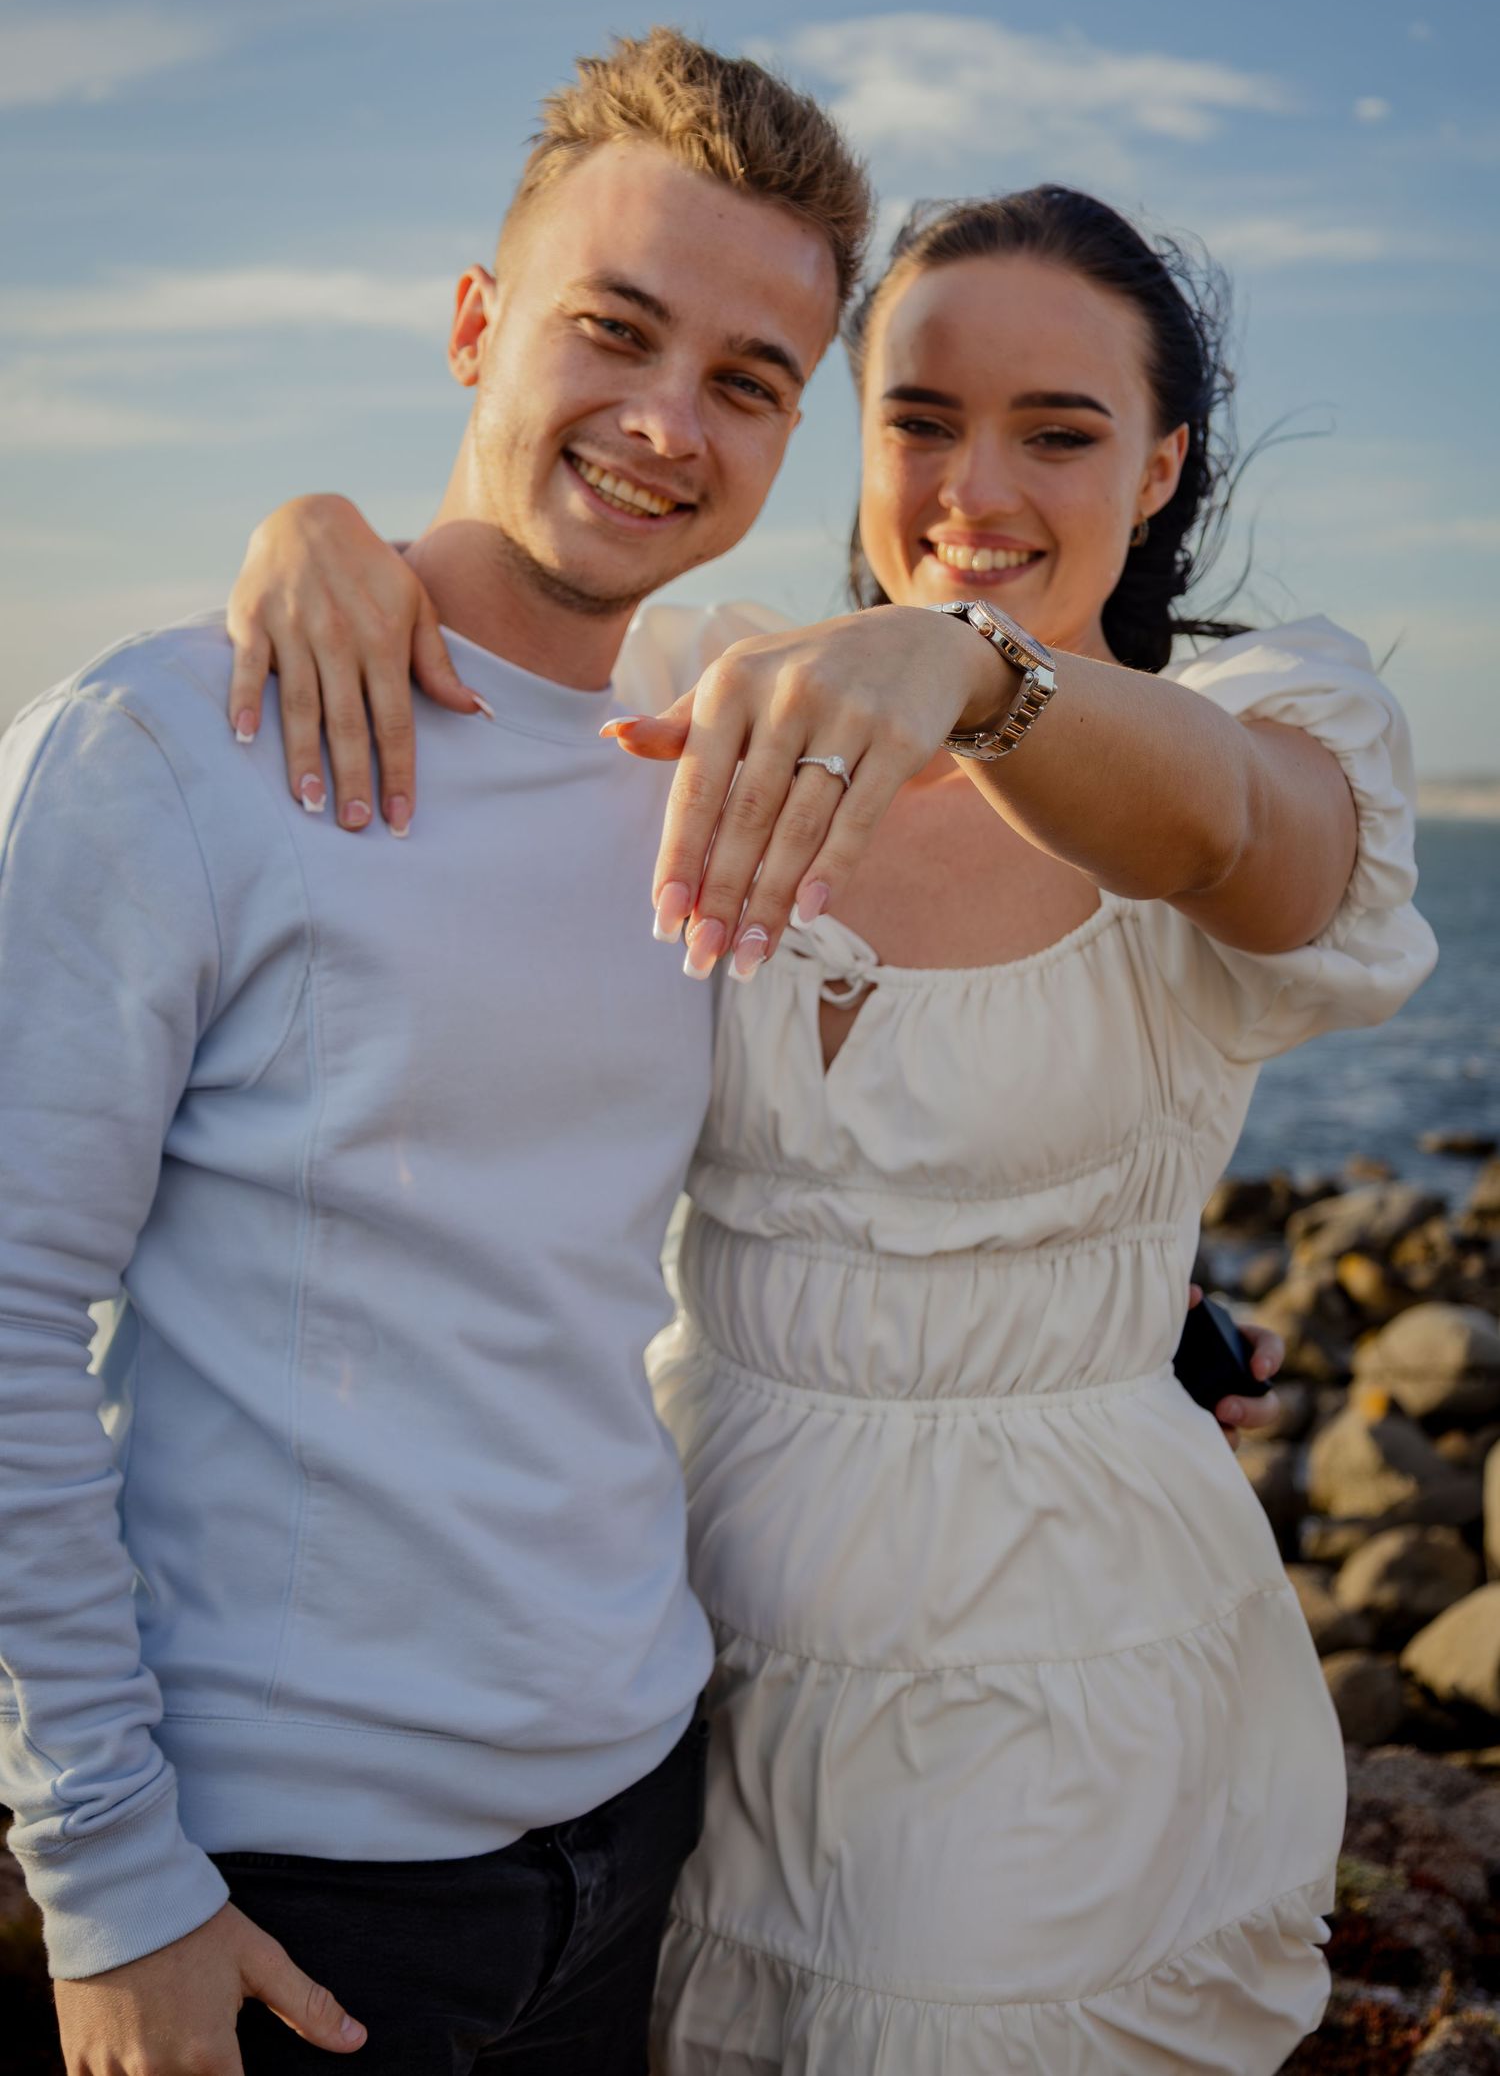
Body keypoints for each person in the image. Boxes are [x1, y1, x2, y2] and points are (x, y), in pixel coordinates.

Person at [222, 185, 1437, 2071]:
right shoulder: (698, 685)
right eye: (922, 418)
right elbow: (477, 610)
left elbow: (1235, 844)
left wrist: (975, 672)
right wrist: (310, 537)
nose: (978, 486)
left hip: (1042, 1636)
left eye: (1060, 430)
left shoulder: (1258, 720)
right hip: (666, 1608)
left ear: (1165, 458)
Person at [0, 29, 872, 2076]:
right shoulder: (170, 750)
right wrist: (111, 1873)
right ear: (477, 327)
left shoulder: (709, 762)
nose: (670, 422)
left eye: (749, 382)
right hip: (291, 1899)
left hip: (637, 1830)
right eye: (615, 331)